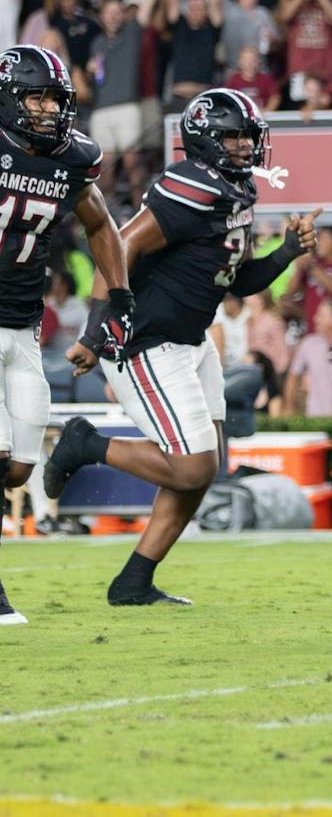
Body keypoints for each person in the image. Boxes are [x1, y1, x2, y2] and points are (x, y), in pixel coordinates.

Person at [48, 90, 319, 607]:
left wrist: (286, 250)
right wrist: (95, 329)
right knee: (192, 466)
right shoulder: (191, 186)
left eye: (248, 136)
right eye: (234, 136)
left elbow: (234, 282)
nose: (245, 146)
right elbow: (118, 244)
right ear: (206, 140)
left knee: (202, 467)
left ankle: (133, 582)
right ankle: (86, 444)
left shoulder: (232, 190)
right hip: (146, 341)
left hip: (189, 341)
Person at [0, 46, 132, 626]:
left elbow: (100, 222)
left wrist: (118, 299)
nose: (49, 108)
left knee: (21, 466)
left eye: (55, 98)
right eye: (37, 96)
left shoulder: (72, 159)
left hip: (23, 326)